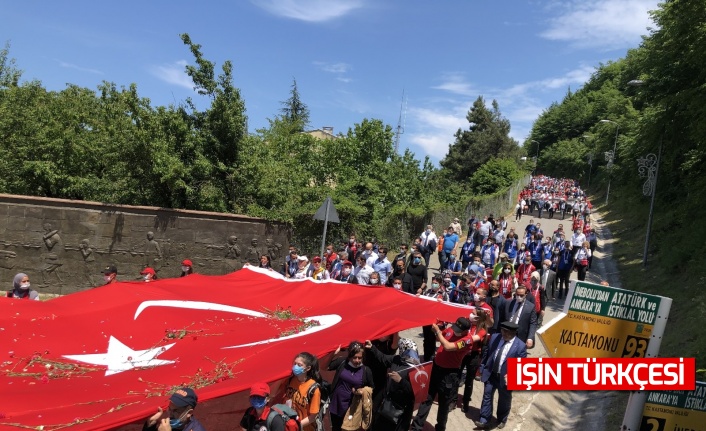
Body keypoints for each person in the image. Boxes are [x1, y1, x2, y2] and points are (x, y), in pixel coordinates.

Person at [410, 317, 480, 431]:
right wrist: (437, 330)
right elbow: (440, 337)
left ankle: (440, 428)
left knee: (443, 405)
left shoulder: (467, 340)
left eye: (458, 329)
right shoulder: (452, 330)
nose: (454, 330)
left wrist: (437, 331)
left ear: (465, 331)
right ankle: (416, 426)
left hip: (449, 375)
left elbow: (448, 346)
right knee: (426, 399)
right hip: (436, 369)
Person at [475, 322, 527, 429]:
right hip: (491, 374)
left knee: (504, 400)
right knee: (487, 396)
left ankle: (502, 419)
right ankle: (484, 419)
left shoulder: (520, 346)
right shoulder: (495, 337)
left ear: (513, 333)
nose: (503, 334)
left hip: (506, 378)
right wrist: (482, 368)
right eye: (502, 331)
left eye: (506, 332)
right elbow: (487, 353)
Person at [364, 338, 418, 431]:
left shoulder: (417, 370)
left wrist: (400, 380)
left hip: (401, 410)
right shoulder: (398, 359)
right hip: (388, 403)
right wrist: (372, 347)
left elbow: (414, 392)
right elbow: (383, 358)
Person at [327, 341, 374, 431]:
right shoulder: (342, 362)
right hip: (336, 405)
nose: (357, 360)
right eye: (354, 357)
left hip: (352, 409)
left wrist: (362, 391)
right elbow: (325, 367)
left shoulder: (366, 371)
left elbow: (372, 387)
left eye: (360, 358)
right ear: (349, 356)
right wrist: (333, 354)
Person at [460, 307, 489, 412]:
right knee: (456, 376)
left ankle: (466, 401)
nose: (470, 315)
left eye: (473, 314)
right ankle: (453, 400)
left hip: (473, 356)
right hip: (462, 354)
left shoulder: (482, 330)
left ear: (478, 318)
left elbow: (473, 339)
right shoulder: (467, 325)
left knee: (469, 380)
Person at [286, 352, 322, 431]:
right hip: (290, 425)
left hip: (304, 428)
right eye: (295, 364)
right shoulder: (291, 380)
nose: (295, 367)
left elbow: (313, 417)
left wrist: (297, 425)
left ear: (308, 368)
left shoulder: (314, 389)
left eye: (299, 365)